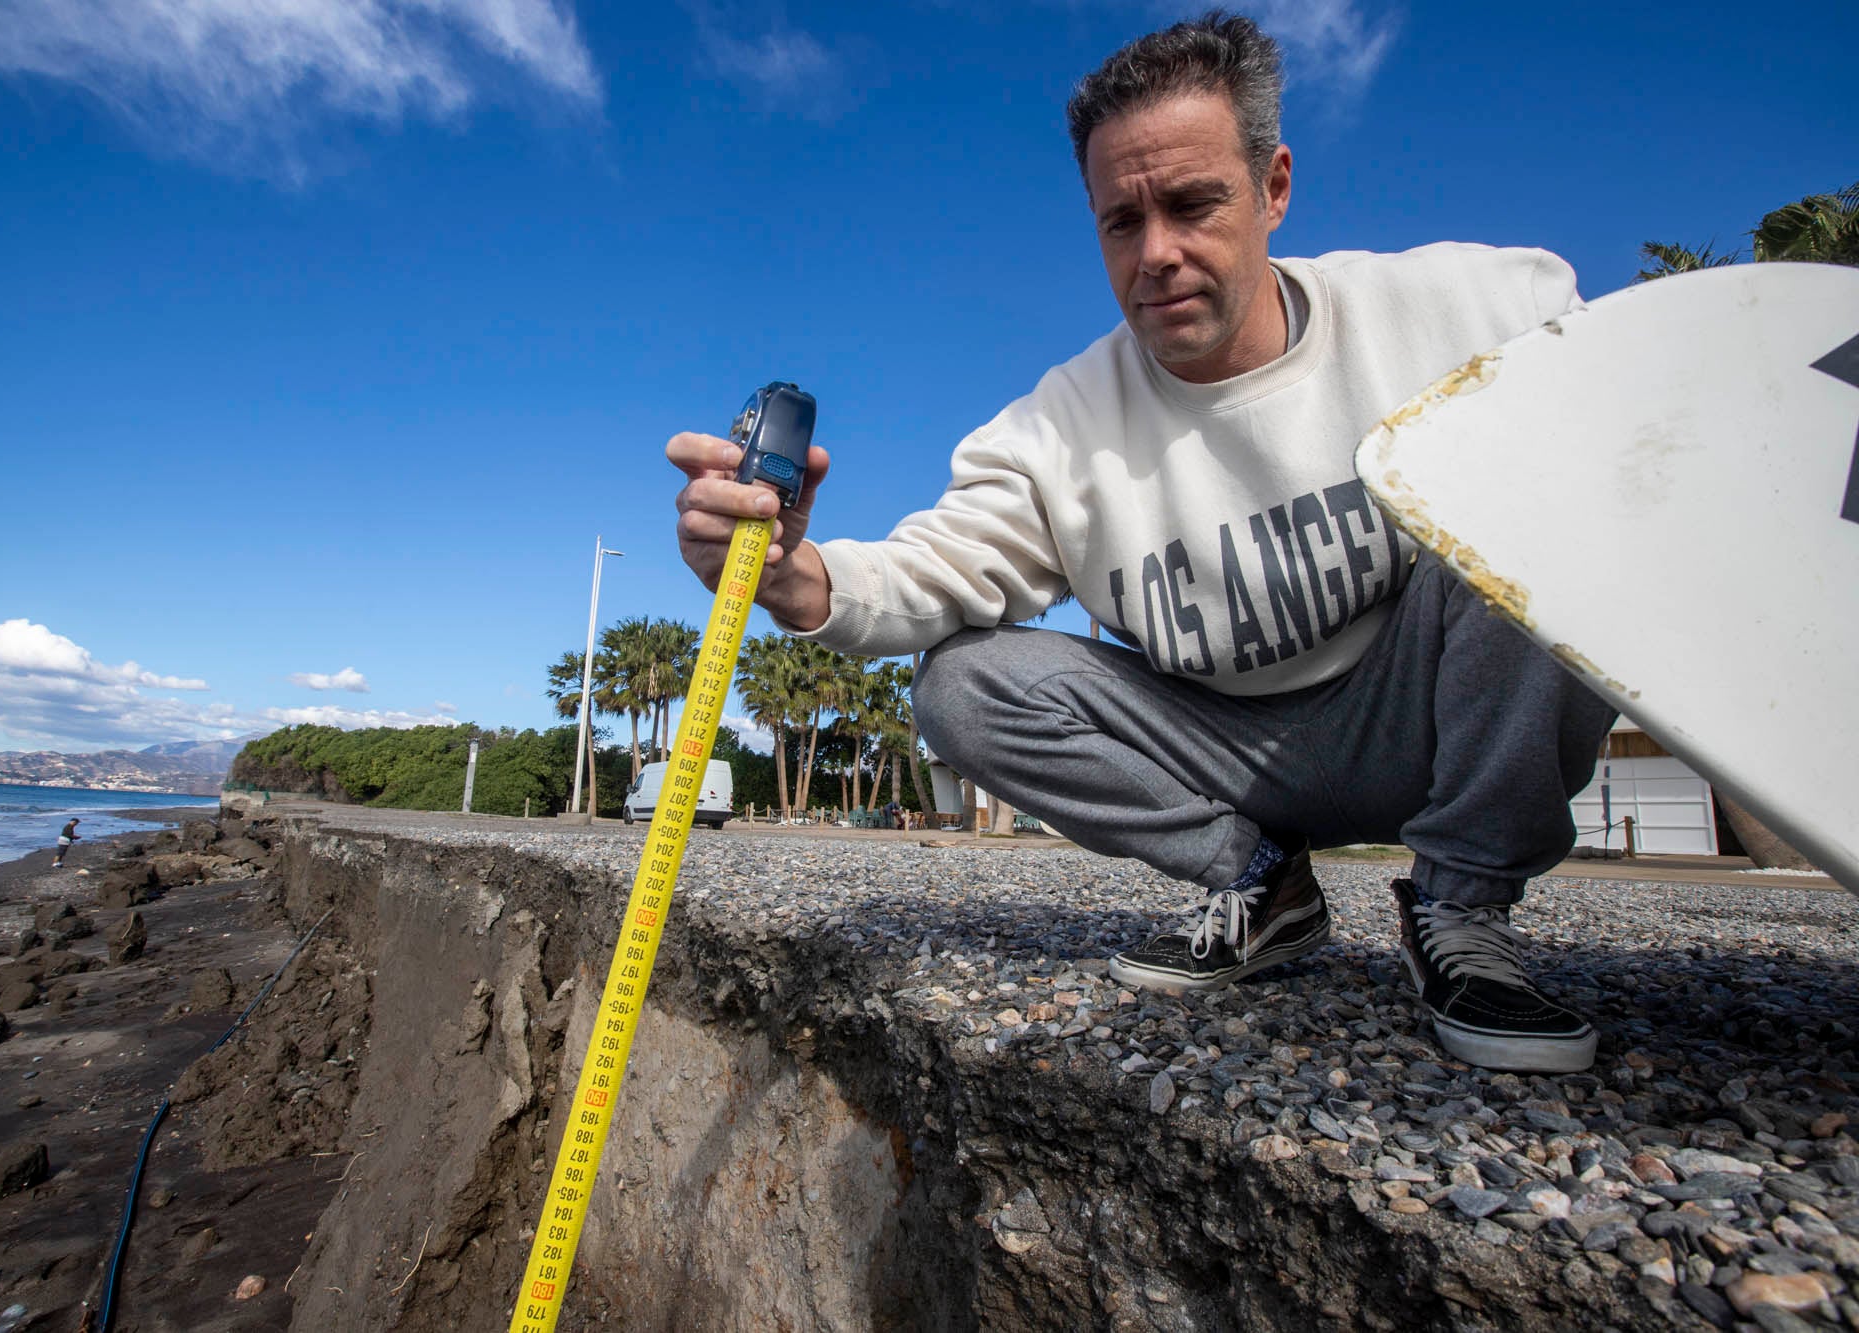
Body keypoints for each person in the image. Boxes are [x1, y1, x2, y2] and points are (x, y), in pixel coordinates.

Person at [667, 13, 1613, 1073]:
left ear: (1273, 187)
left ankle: (1463, 910)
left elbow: (1649, 410)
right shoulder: (1056, 428)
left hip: (1425, 711)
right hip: (1227, 756)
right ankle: (1262, 885)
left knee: (1553, 502)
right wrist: (791, 572)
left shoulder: (1462, 310)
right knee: (966, 682)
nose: (1155, 253)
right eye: (1120, 221)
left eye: (1192, 203)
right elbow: (929, 570)